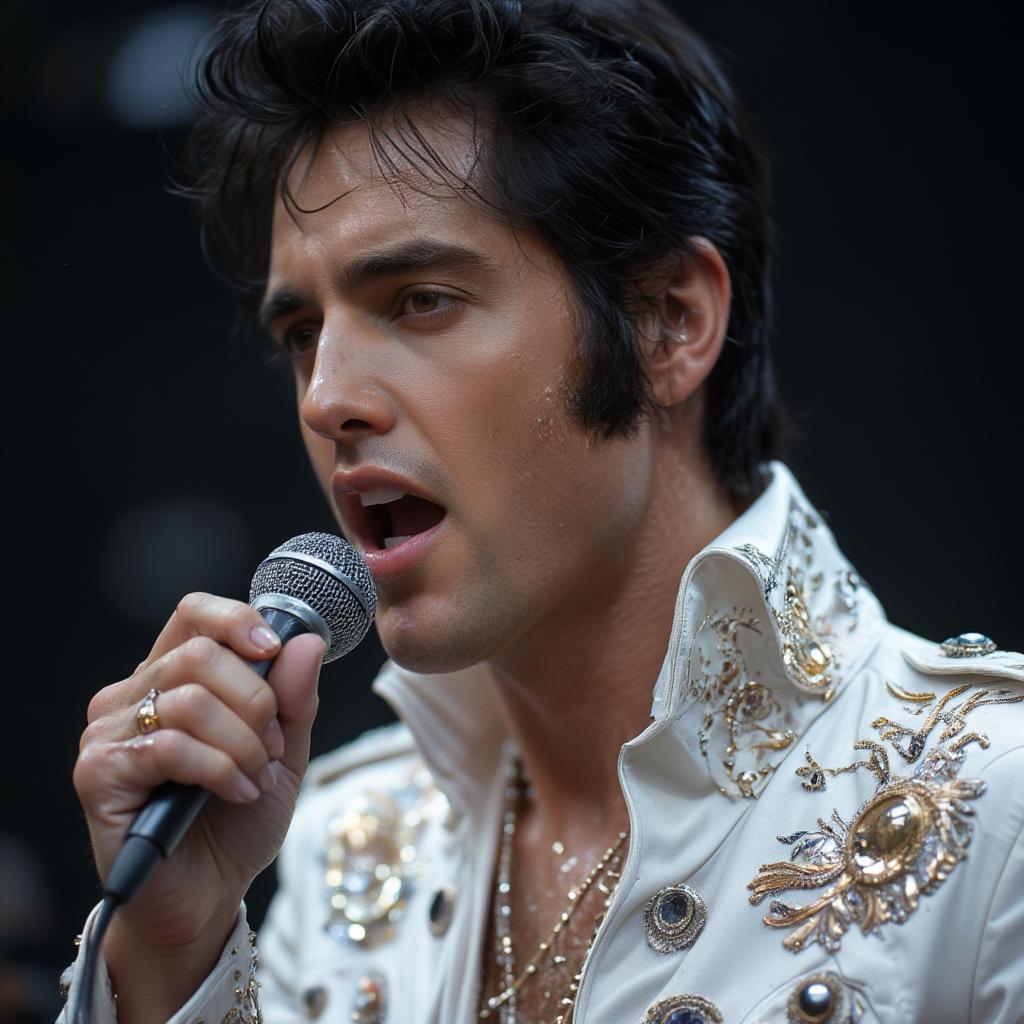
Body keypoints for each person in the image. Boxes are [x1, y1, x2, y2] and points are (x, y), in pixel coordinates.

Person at [61, 1, 1023, 1022]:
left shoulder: (997, 806)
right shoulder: (346, 840)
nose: (324, 394)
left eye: (419, 298)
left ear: (669, 322)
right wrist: (173, 952)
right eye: (302, 332)